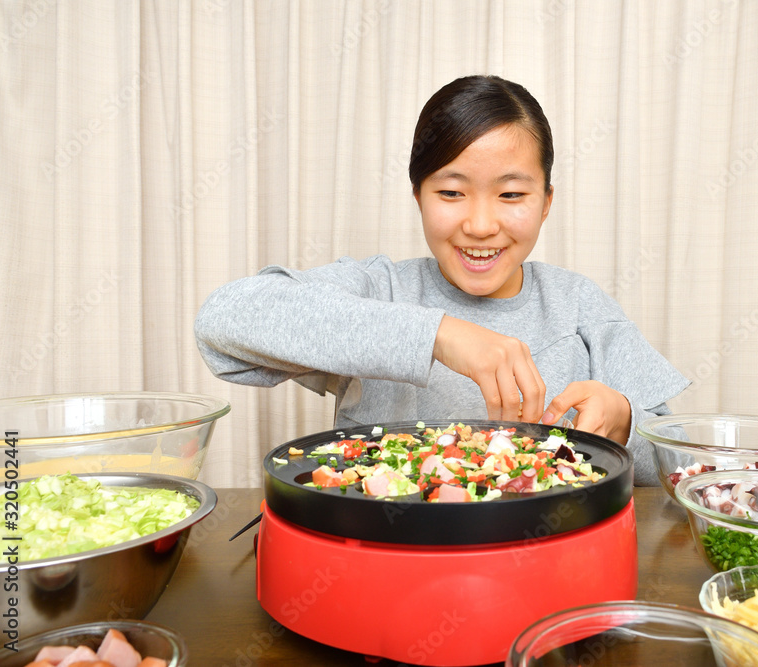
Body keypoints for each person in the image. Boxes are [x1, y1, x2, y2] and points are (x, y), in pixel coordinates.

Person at [194, 74, 689, 485]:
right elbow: (223, 321)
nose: (479, 224)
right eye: (451, 193)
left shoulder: (578, 303)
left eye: (511, 195)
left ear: (546, 203)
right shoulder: (381, 289)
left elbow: (680, 465)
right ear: (418, 197)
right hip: (389, 562)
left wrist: (624, 420)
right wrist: (438, 334)